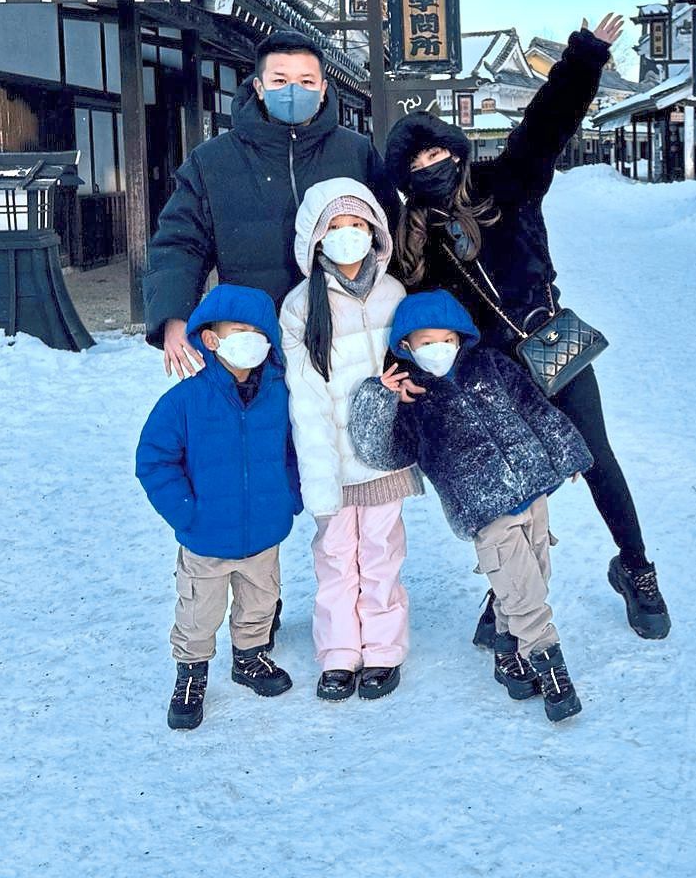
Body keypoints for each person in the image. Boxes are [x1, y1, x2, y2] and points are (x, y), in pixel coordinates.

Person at [383, 16, 671, 643]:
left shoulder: (505, 182)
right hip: (489, 370)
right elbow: (409, 321)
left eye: (437, 150)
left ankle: (637, 568)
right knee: (513, 485)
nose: (431, 164)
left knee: (596, 457)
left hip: (550, 339)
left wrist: (586, 56)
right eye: (417, 161)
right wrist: (403, 370)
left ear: (456, 148)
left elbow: (549, 120)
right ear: (404, 179)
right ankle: (505, 597)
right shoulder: (412, 242)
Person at [350, 290, 594, 725]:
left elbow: (535, 409)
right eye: (426, 343)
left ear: (461, 338)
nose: (438, 349)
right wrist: (379, 397)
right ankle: (550, 666)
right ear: (405, 347)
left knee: (534, 574)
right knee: (524, 591)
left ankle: (507, 649)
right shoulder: (416, 401)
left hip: (533, 488)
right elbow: (380, 452)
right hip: (484, 511)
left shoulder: (493, 368)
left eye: (446, 339)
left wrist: (567, 450)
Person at [143, 29, 398, 379]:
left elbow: (390, 237)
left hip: (344, 336)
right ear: (259, 88)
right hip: (253, 335)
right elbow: (179, 242)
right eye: (280, 79)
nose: (293, 90)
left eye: (307, 81)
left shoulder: (355, 152)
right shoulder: (213, 161)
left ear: (324, 89)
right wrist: (173, 315)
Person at [279, 179, 423, 703]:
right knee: (337, 556)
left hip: (382, 453)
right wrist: (321, 472)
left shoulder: (394, 293)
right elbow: (304, 396)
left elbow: (409, 365)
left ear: (374, 232)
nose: (346, 237)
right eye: (335, 228)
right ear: (316, 238)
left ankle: (383, 649)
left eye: (356, 226)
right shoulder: (300, 305)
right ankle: (339, 652)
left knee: (381, 553)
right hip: (334, 458)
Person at [135, 283, 301, 731]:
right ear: (211, 338)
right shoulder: (185, 401)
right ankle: (191, 674)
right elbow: (153, 460)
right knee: (197, 612)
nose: (253, 339)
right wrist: (186, 512)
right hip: (206, 538)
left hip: (264, 533)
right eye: (241, 329)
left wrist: (290, 496)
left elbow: (294, 451)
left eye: (261, 332)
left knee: (260, 603)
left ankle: (249, 657)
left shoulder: (280, 396)